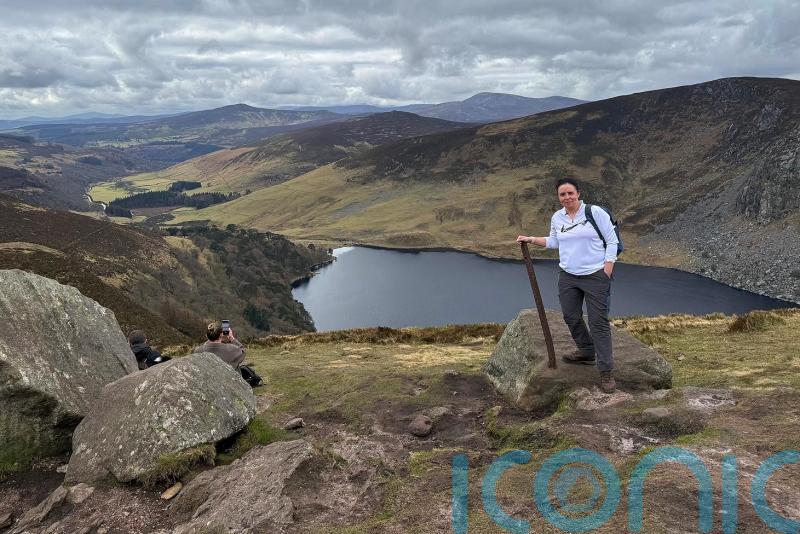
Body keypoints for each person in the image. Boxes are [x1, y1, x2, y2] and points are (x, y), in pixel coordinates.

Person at [516, 177, 619, 393]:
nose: (567, 197)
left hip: (595, 275)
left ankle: (606, 371)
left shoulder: (594, 213)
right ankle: (586, 350)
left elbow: (612, 240)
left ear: (578, 193)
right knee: (570, 316)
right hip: (568, 275)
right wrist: (531, 239)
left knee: (598, 322)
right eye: (562, 194)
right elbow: (555, 241)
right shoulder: (558, 217)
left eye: (570, 193)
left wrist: (607, 268)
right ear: (558, 197)